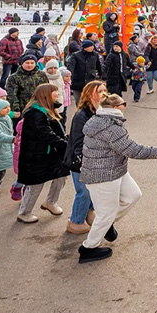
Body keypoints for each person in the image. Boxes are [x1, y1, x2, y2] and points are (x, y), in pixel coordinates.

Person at [78, 94, 157, 263]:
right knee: (105, 214)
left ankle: (106, 223)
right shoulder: (111, 127)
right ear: (117, 107)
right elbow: (133, 150)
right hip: (103, 175)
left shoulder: (100, 119)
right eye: (123, 103)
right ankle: (88, 248)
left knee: (133, 195)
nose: (125, 106)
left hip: (115, 170)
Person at [16, 83, 70, 223]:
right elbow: (46, 134)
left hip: (51, 153)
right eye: (55, 92)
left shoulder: (48, 109)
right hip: (37, 156)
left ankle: (50, 202)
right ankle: (24, 213)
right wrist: (65, 144)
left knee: (61, 175)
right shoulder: (35, 114)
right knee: (35, 185)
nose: (57, 94)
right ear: (46, 95)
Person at [64, 80, 106, 234]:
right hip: (80, 161)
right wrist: (84, 160)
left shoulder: (101, 110)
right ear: (90, 94)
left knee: (94, 190)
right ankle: (75, 221)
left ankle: (88, 213)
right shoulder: (82, 115)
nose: (103, 94)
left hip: (95, 159)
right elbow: (78, 141)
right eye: (99, 91)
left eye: (104, 90)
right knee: (84, 192)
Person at [6, 54, 50, 126]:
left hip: (40, 107)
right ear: (22, 63)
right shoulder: (14, 77)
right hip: (23, 108)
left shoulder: (41, 75)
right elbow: (11, 94)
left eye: (32, 63)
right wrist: (16, 109)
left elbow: (46, 90)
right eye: (27, 63)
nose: (29, 65)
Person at [0, 98, 14, 196]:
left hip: (5, 147)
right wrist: (12, 139)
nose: (8, 109)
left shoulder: (6, 118)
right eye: (4, 108)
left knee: (1, 169)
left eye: (8, 106)